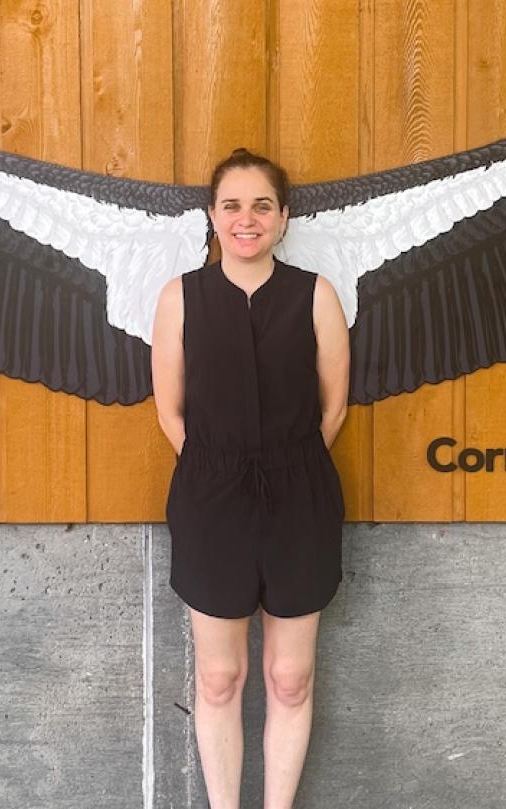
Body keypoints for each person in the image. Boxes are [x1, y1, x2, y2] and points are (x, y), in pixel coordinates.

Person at [150, 148, 350, 809]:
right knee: (218, 676)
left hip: (300, 499)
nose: (247, 219)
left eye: (262, 205)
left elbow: (333, 408)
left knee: (291, 677)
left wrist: (284, 465)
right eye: (232, 205)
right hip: (211, 500)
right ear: (212, 216)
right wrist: (222, 469)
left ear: (284, 217)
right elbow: (170, 411)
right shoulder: (181, 298)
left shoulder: (315, 295)